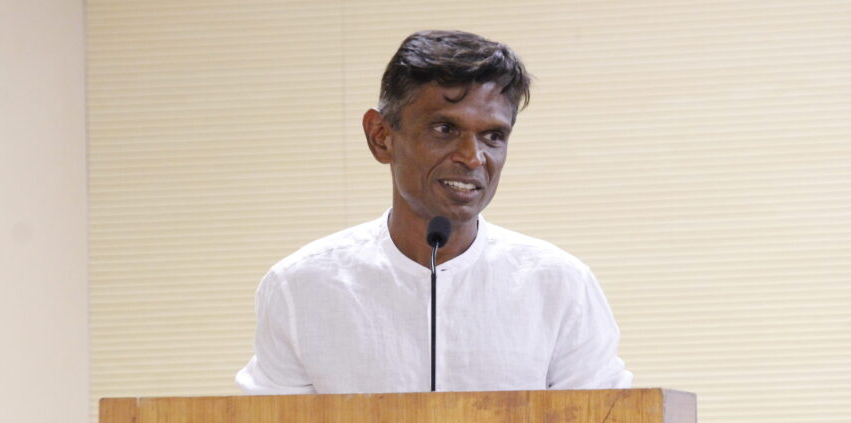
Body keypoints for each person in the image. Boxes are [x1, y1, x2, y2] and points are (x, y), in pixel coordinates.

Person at [237, 30, 632, 394]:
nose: (472, 158)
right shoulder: (300, 287)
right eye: (444, 129)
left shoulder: (559, 284)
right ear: (381, 136)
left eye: (493, 136)